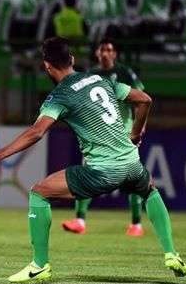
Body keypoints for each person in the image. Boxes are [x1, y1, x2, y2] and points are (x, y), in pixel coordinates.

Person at [0, 37, 186, 284]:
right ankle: (172, 253)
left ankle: (39, 265)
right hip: (132, 164)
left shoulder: (60, 95)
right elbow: (145, 99)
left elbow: (36, 132)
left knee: (39, 193)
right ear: (73, 60)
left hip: (102, 172)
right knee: (150, 190)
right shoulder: (102, 79)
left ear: (47, 66)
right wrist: (136, 133)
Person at [62, 38, 146, 237]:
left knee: (133, 177)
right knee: (88, 173)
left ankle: (136, 224)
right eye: (102, 50)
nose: (106, 53)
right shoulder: (91, 74)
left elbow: (141, 99)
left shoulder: (124, 73)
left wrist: (139, 128)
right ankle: (80, 220)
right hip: (99, 134)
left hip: (124, 133)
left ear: (114, 54)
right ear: (98, 54)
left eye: (109, 49)